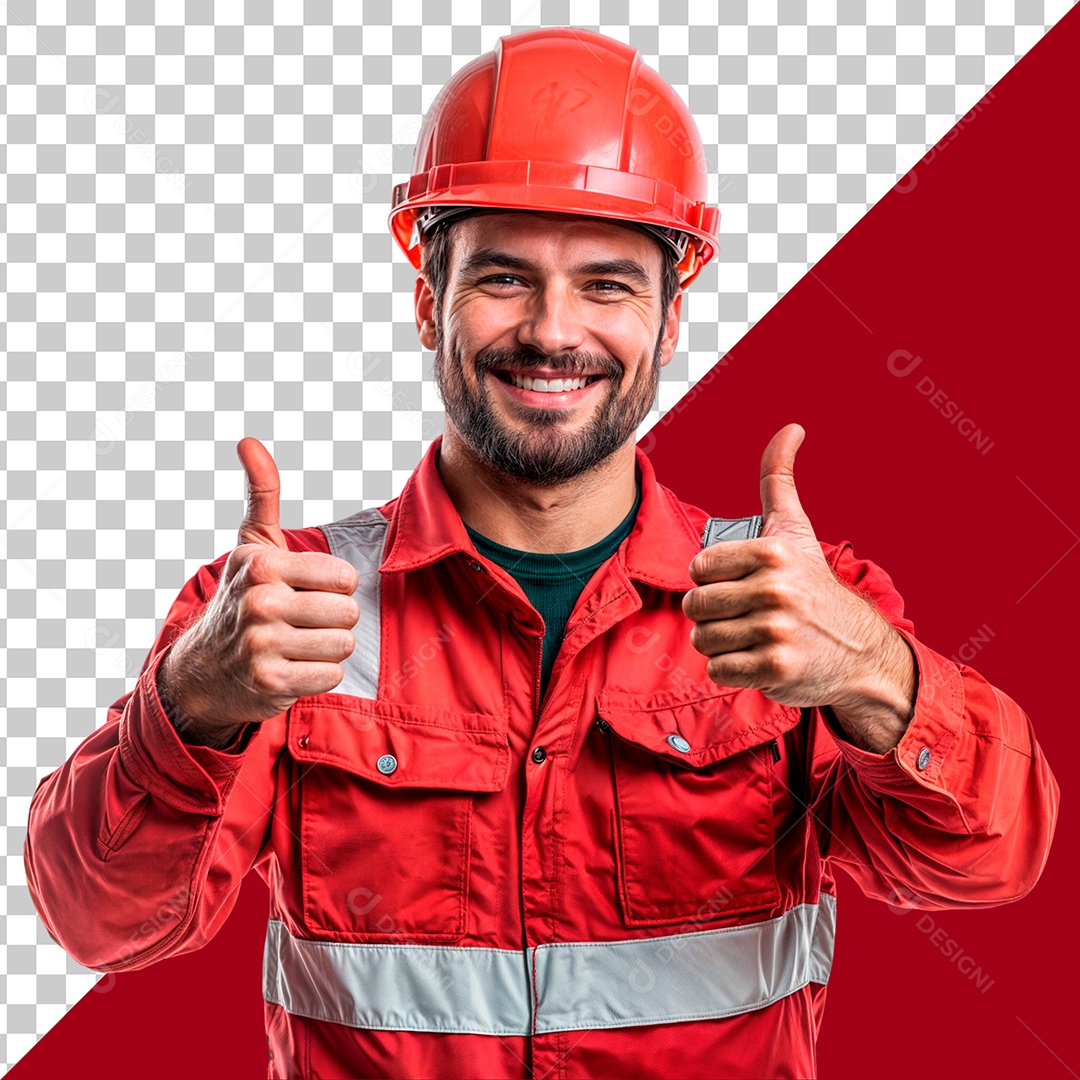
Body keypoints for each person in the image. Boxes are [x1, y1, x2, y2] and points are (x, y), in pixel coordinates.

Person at [24, 26, 1058, 1080]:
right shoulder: (279, 607)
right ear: (430, 300)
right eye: (505, 279)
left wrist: (874, 674)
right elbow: (101, 924)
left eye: (608, 284)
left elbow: (993, 862)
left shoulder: (793, 603)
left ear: (668, 317)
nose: (552, 330)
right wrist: (194, 701)